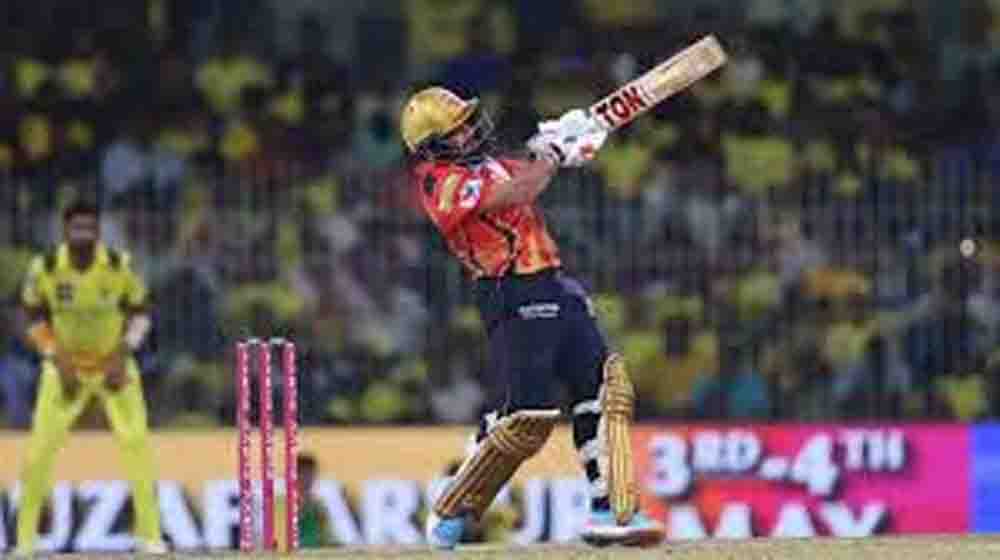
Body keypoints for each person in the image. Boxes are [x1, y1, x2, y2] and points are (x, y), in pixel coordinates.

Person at [400, 87, 664, 549]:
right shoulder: (438, 182)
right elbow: (520, 189)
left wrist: (567, 140)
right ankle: (452, 506)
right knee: (527, 418)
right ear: (431, 147)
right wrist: (550, 156)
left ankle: (613, 510)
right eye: (455, 130)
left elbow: (530, 170)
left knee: (605, 389)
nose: (468, 132)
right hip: (510, 291)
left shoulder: (488, 165)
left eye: (467, 122)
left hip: (555, 283)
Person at [14, 200, 165, 555]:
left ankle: (151, 537)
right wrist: (54, 354)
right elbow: (30, 315)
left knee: (137, 445)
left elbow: (141, 311)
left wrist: (123, 353)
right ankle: (24, 541)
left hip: (113, 365)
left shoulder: (118, 264)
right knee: (39, 451)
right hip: (64, 366)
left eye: (89, 228)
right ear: (64, 231)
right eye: (76, 228)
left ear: (98, 232)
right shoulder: (46, 267)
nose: (82, 235)